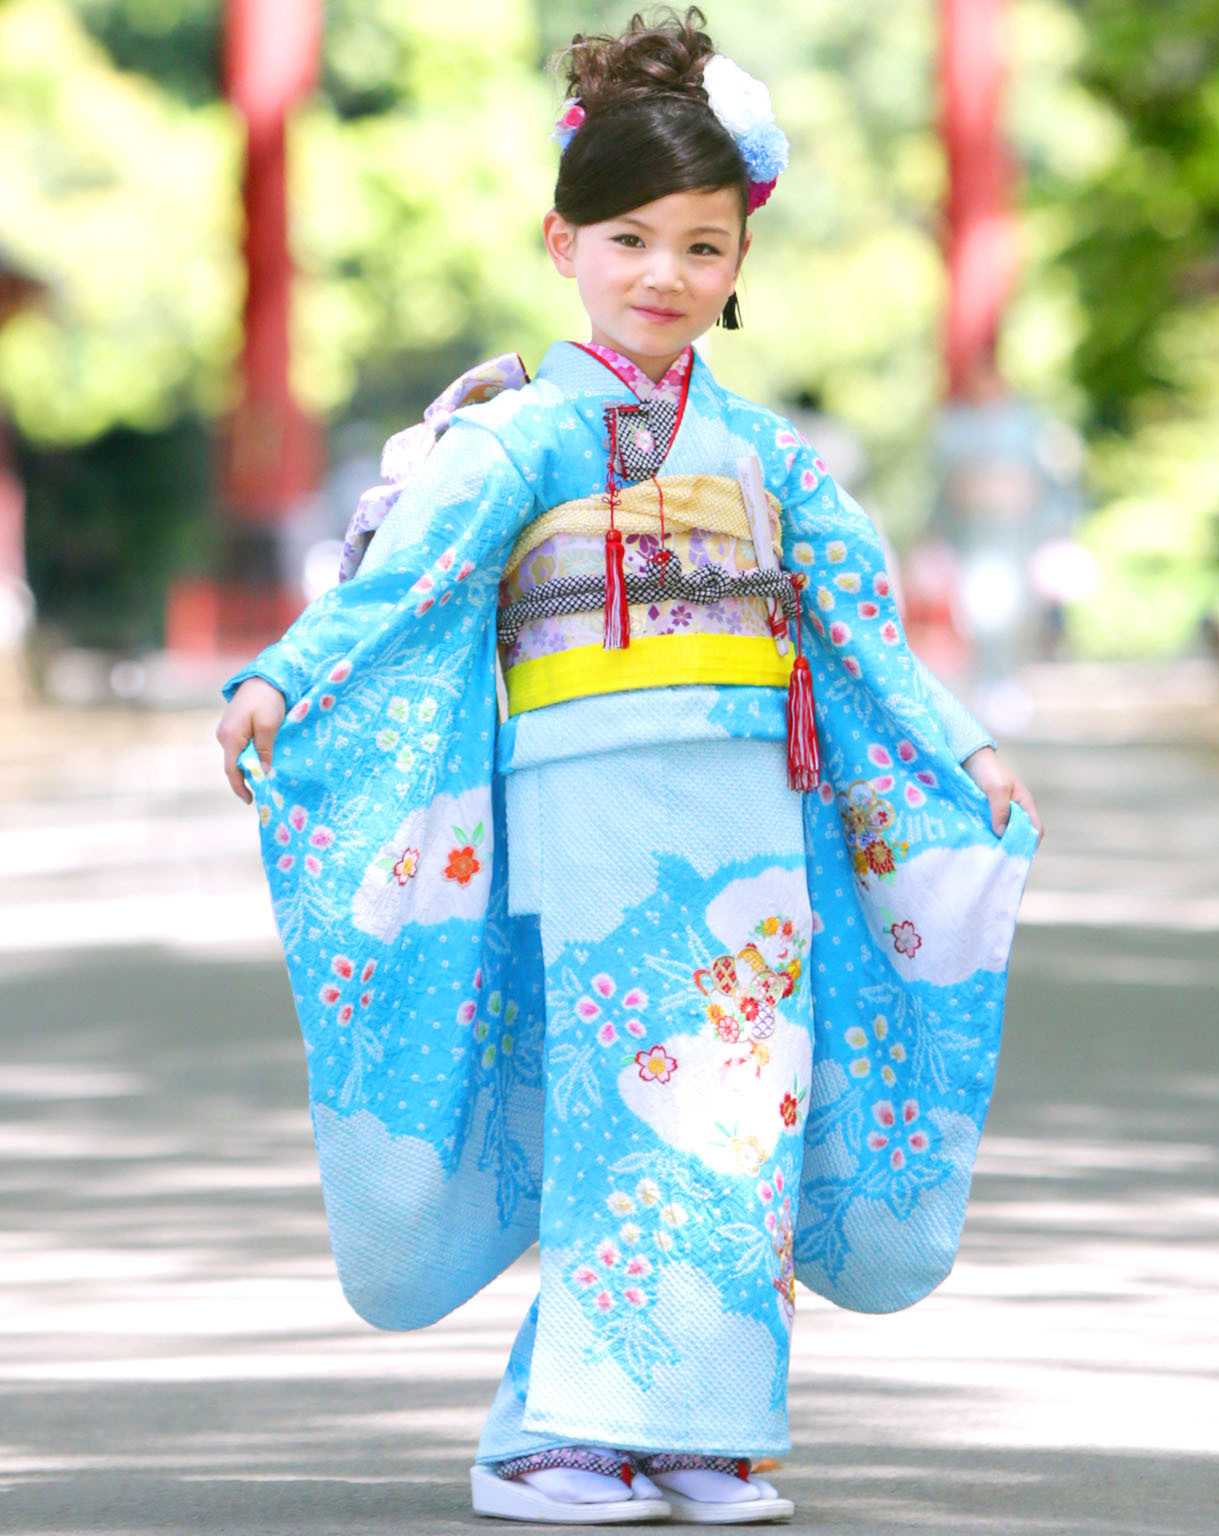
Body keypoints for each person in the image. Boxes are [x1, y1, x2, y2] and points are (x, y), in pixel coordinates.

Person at [217, 8, 1042, 1524]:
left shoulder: (773, 456)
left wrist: (963, 749)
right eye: (631, 239)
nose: (665, 275)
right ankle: (549, 1436)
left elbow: (859, 627)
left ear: (741, 262)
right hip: (587, 812)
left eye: (704, 247)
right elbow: (408, 589)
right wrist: (282, 678)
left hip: (748, 817)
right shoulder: (521, 435)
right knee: (629, 1103)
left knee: (748, 1111)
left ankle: (699, 1436)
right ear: (563, 242)